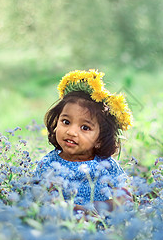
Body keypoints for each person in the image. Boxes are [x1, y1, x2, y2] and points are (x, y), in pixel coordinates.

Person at [34, 69, 133, 213]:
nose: (71, 132)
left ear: (99, 139)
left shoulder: (106, 165)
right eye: (66, 122)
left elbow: (125, 199)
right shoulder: (49, 163)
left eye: (85, 127)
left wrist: (90, 209)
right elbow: (36, 197)